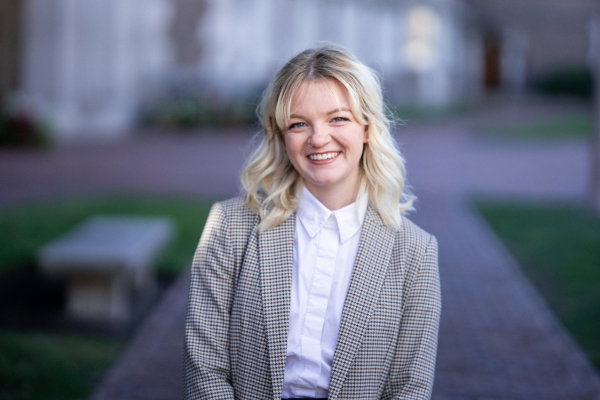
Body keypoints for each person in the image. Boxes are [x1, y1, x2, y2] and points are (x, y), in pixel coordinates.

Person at [183, 44, 441, 400]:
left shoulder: (415, 252)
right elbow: (204, 369)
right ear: (281, 135)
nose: (318, 139)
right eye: (299, 124)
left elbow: (409, 388)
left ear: (367, 127)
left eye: (338, 118)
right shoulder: (229, 227)